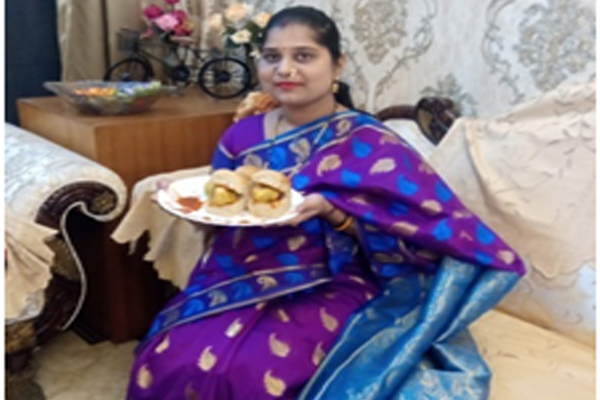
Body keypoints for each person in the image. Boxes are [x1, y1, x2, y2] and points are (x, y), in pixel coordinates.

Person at [127, 6, 525, 400]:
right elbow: (220, 218)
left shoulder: (369, 141)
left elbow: (419, 232)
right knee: (170, 358)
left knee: (254, 372)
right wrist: (184, 203)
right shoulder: (240, 136)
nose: (284, 69)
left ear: (337, 64)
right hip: (237, 270)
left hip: (333, 278)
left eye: (303, 56)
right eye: (272, 57)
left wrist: (332, 212)